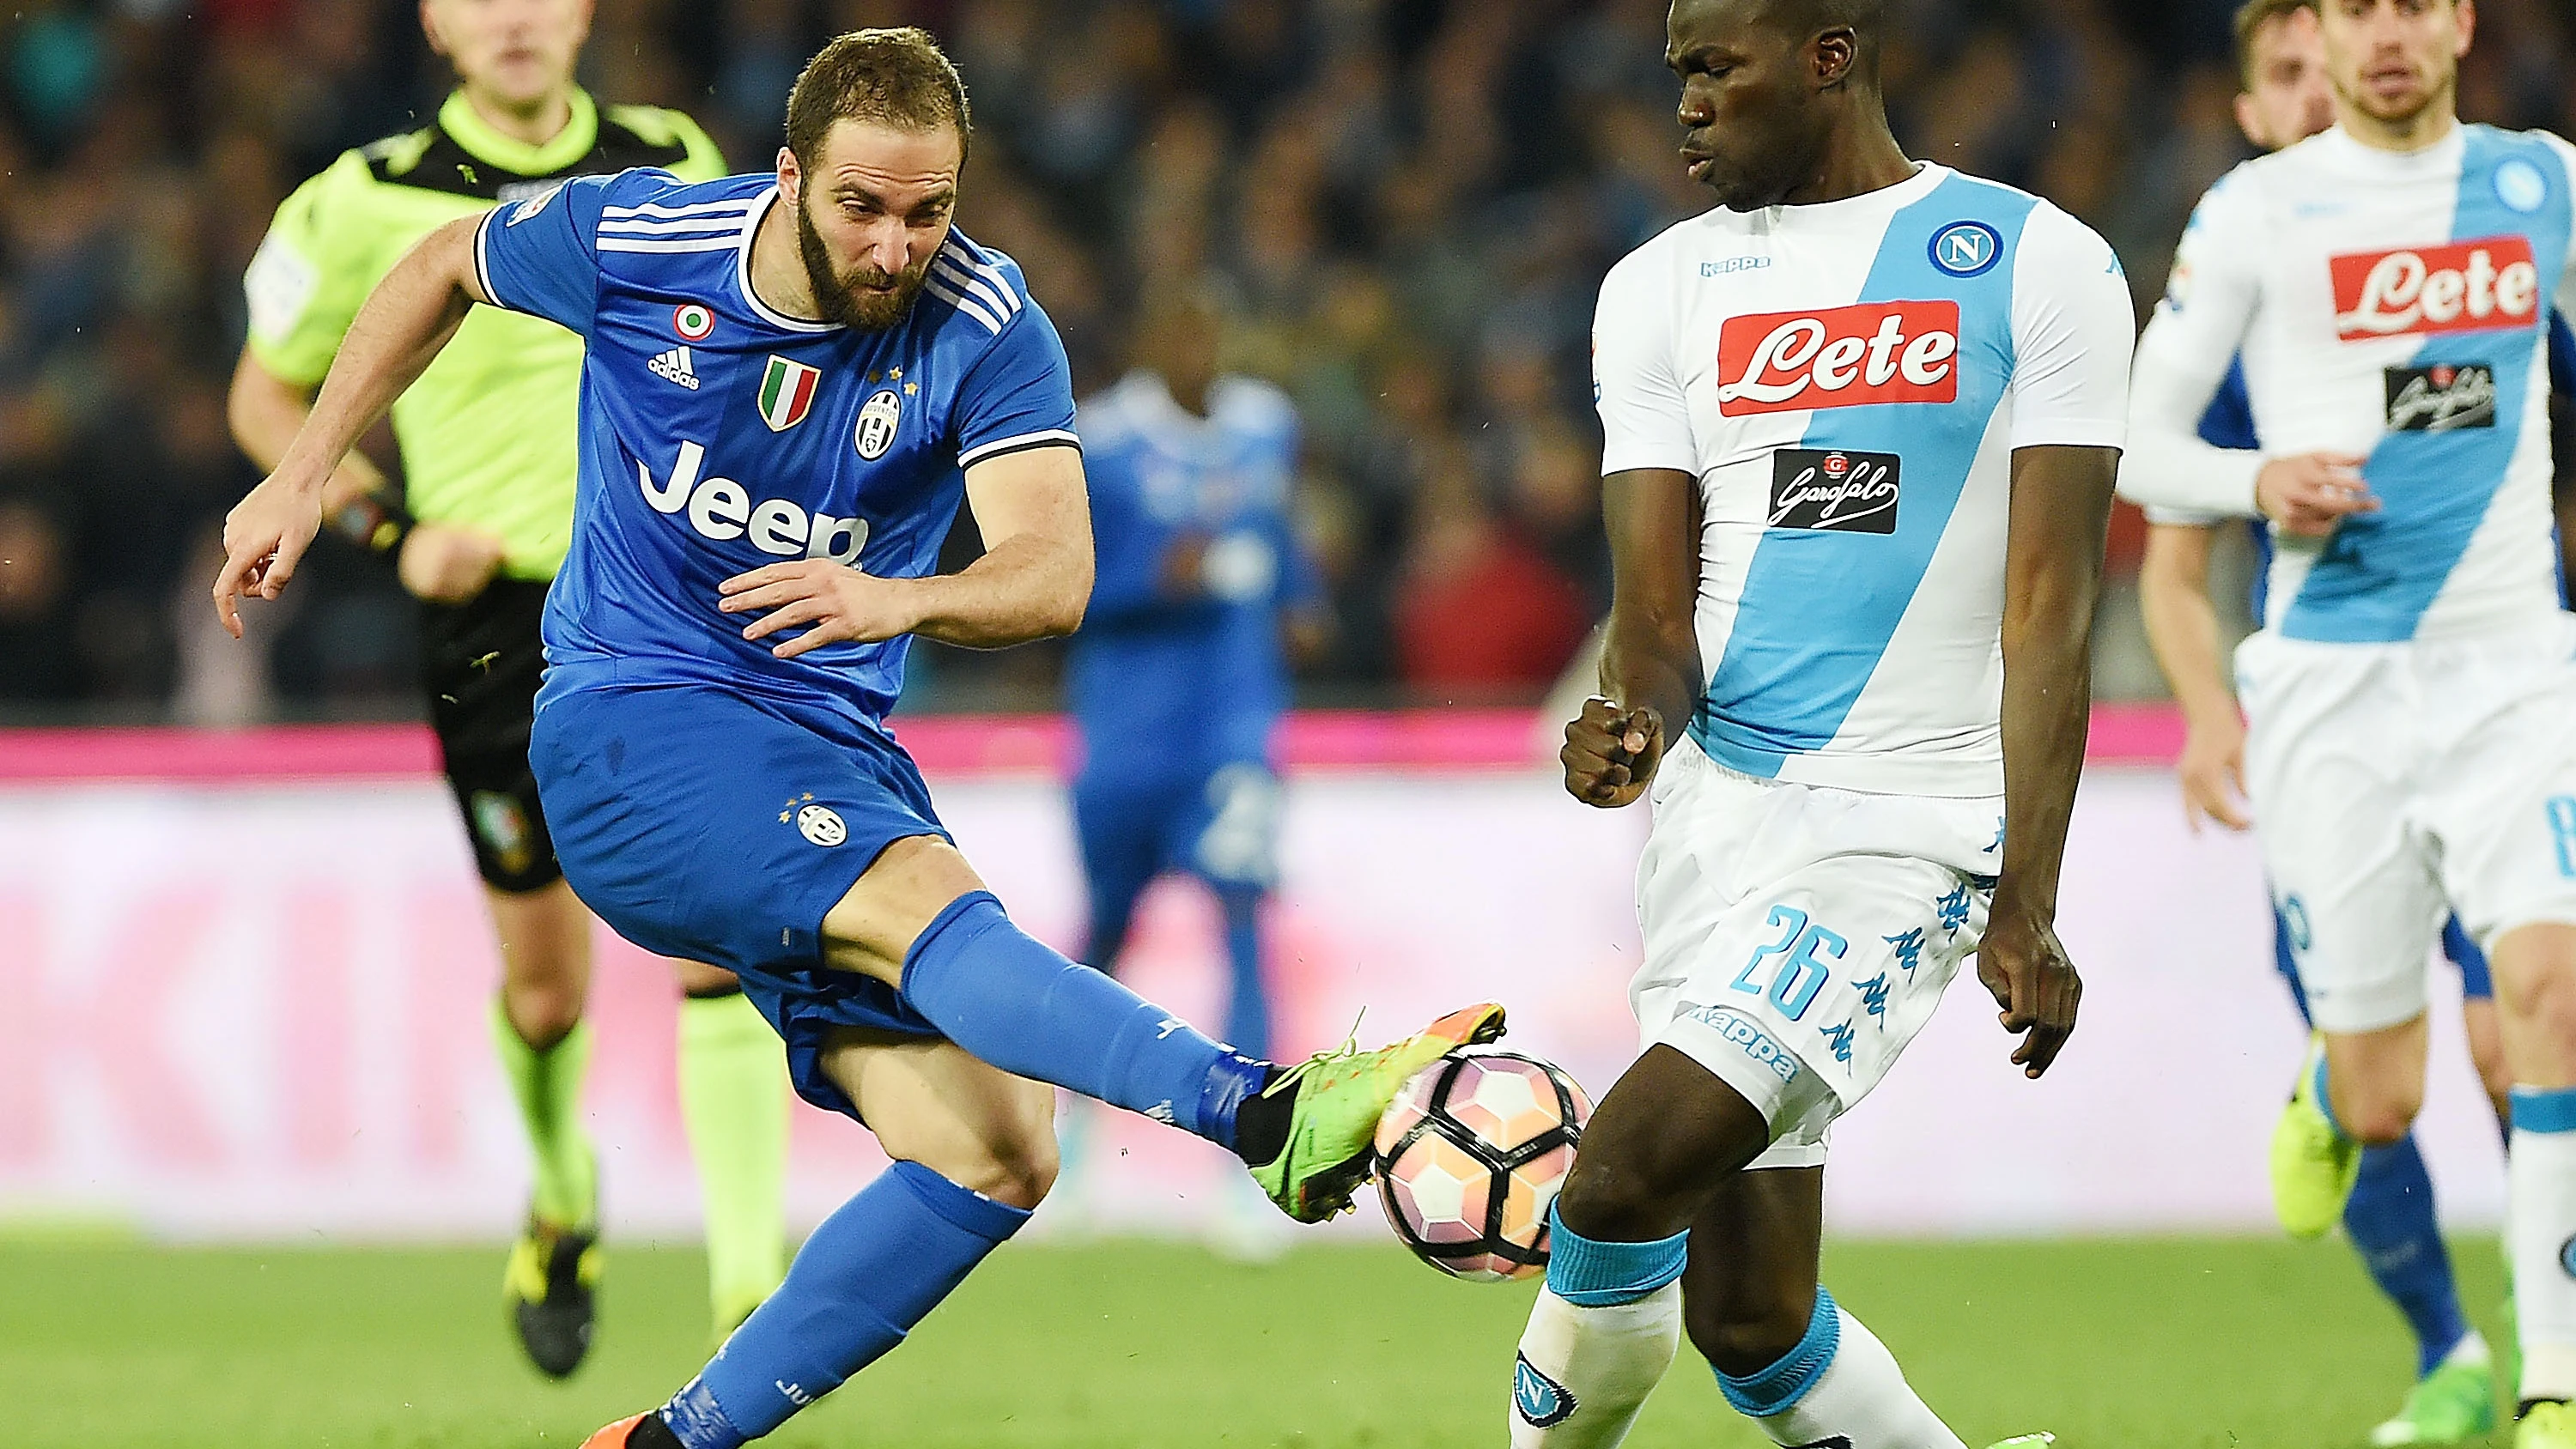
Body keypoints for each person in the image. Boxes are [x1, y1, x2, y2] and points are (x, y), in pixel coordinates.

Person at [207, 28, 1502, 1449]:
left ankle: (670, 1437)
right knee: (927, 909)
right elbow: (444, 261)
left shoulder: (988, 321)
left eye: (929, 210)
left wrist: (903, 594)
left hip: (829, 750)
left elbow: (1052, 570)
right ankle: (1260, 1108)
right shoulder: (649, 236)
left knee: (996, 1150)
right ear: (788, 177)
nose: (895, 247)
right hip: (634, 729)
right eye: (862, 208)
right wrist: (308, 466)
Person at [1510, 0, 2131, 1443]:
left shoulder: (2038, 264)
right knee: (1753, 1318)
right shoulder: (1655, 289)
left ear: (1830, 60)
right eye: (1677, 75)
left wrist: (2027, 895)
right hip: (1716, 831)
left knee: (1615, 1180)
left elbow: (2051, 610)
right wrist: (1629, 723)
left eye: (1715, 70)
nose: (1685, 105)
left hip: (1904, 830)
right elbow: (1654, 617)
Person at [222, 0, 778, 1374]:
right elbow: (260, 398)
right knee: (549, 994)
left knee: (720, 945)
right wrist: (390, 537)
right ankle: (560, 1188)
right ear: (436, 22)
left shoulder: (673, 158)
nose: (515, 17)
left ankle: (749, 1299)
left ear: (585, 11)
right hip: (491, 621)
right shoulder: (357, 204)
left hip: (667, 597)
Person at [2117, 0, 2576, 1439]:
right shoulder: (2259, 215)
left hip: (2515, 666)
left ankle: (2554, 1386)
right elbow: (2141, 452)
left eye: (2409, 4)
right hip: (2334, 690)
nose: (2379, 38)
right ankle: (2337, 1085)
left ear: (2460, 20)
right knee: (2386, 1094)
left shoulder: (2542, 182)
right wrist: (2259, 486)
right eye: (2349, 10)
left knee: (2549, 1007)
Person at [1060, 286, 1321, 1250]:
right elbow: (1065, 584)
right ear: (1146, 342)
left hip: (1233, 726)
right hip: (1126, 735)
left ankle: (1258, 1166)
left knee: (1247, 923)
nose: (1198, 343)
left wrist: (1304, 592)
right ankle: (1071, 1148)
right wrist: (1150, 578)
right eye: (1180, 326)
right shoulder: (1102, 439)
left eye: (1209, 324)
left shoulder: (1266, 427)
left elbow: (1279, 540)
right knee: (1106, 940)